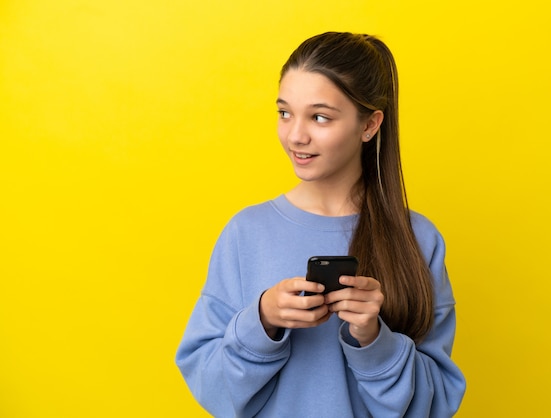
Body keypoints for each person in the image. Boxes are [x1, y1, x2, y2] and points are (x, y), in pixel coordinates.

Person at [176, 31, 466, 417]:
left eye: (319, 117)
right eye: (284, 112)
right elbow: (211, 388)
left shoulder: (418, 239)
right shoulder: (246, 233)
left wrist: (375, 340)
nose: (296, 135)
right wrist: (261, 321)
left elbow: (437, 404)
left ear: (370, 125)